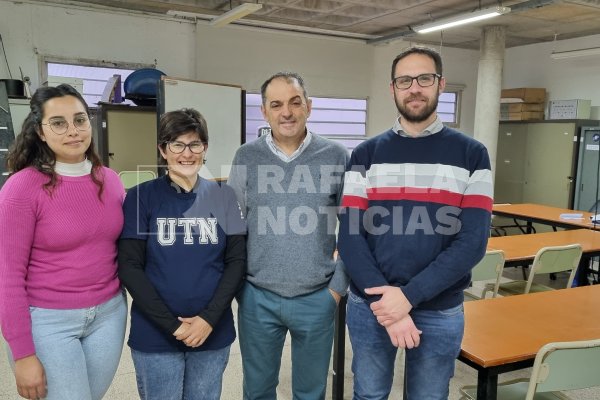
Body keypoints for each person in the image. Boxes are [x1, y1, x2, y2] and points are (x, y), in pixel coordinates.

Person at [337, 46, 493, 399]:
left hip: (439, 308)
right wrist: (388, 302)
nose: (415, 88)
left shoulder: (472, 154)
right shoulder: (366, 153)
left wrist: (408, 297)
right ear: (393, 88)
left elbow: (473, 242)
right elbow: (349, 236)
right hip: (372, 305)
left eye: (424, 78)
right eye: (404, 80)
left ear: (440, 84)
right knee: (369, 395)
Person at [0, 84, 127, 400]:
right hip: (48, 319)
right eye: (58, 122)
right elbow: (7, 275)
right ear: (40, 132)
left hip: (109, 315)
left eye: (80, 120)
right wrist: (23, 353)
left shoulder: (109, 180)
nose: (73, 131)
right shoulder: (22, 188)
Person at [227, 72, 349, 400]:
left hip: (317, 297)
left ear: (309, 107)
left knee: (310, 392)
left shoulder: (337, 156)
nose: (287, 112)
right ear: (264, 112)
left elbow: (355, 228)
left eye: (295, 103)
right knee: (257, 390)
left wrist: (336, 291)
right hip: (257, 297)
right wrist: (239, 287)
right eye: (276, 104)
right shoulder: (246, 157)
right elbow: (230, 227)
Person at [118, 108, 246, 400]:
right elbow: (129, 267)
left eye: (195, 144)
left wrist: (208, 320)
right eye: (177, 144)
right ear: (163, 150)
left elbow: (236, 262)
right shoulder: (141, 197)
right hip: (156, 335)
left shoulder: (225, 197)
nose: (186, 153)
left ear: (205, 148)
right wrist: (173, 326)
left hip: (213, 332)